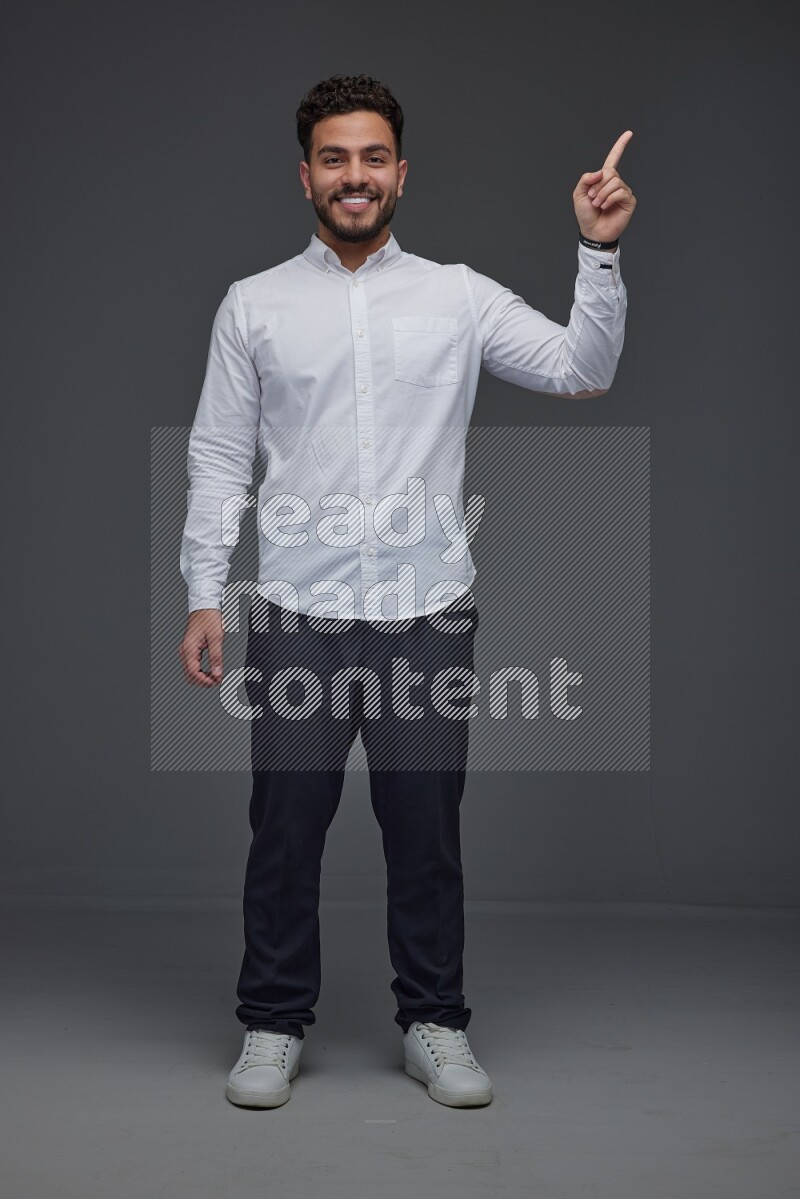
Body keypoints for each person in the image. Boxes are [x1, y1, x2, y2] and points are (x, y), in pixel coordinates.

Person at [178, 74, 636, 1109]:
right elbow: (216, 455)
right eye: (334, 158)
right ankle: (270, 1019)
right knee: (285, 824)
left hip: (425, 613)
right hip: (297, 612)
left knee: (423, 824)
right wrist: (205, 592)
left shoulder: (457, 295)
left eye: (372, 157)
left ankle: (434, 1019)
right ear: (306, 175)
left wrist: (595, 251)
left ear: (399, 172)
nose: (354, 176)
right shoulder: (254, 305)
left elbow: (580, 368)